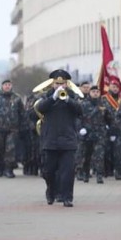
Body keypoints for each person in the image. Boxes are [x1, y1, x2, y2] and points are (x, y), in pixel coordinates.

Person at [35, 70, 83, 207]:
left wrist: (68, 100)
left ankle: (67, 197)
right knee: (49, 170)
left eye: (62, 83)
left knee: (68, 171)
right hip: (51, 140)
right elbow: (40, 108)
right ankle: (51, 190)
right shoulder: (47, 96)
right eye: (57, 83)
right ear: (52, 84)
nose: (60, 86)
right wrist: (53, 98)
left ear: (67, 84)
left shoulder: (73, 96)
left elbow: (80, 110)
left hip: (68, 140)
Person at [0, 80, 25, 177]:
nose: (7, 86)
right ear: (2, 86)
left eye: (9, 85)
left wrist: (23, 126)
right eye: (5, 85)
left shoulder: (17, 98)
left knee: (10, 149)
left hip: (12, 129)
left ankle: (9, 169)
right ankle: (0, 167)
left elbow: (22, 113)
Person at [77, 86, 112, 183]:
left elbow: (109, 118)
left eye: (97, 91)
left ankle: (99, 175)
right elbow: (79, 117)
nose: (96, 93)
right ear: (90, 93)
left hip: (100, 133)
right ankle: (85, 174)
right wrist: (81, 128)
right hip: (87, 133)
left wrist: (109, 124)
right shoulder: (84, 104)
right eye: (93, 91)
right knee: (86, 155)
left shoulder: (104, 103)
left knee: (99, 155)